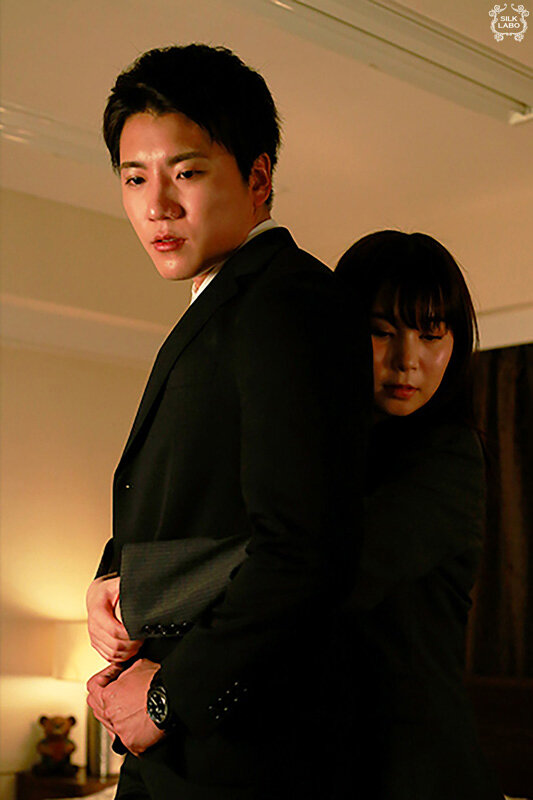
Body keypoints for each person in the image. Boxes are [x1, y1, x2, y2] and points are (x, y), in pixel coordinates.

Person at [85, 44, 369, 800]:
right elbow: (207, 508)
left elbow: (303, 551)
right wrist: (114, 575)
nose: (157, 206)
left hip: (242, 755)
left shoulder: (287, 303)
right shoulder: (227, 305)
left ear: (258, 178)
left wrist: (167, 698)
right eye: (134, 178)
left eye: (185, 173)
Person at [335, 231, 504, 800]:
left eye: (431, 334)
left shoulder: (449, 456)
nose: (406, 361)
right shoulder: (318, 451)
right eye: (381, 331)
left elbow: (329, 574)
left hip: (419, 772)